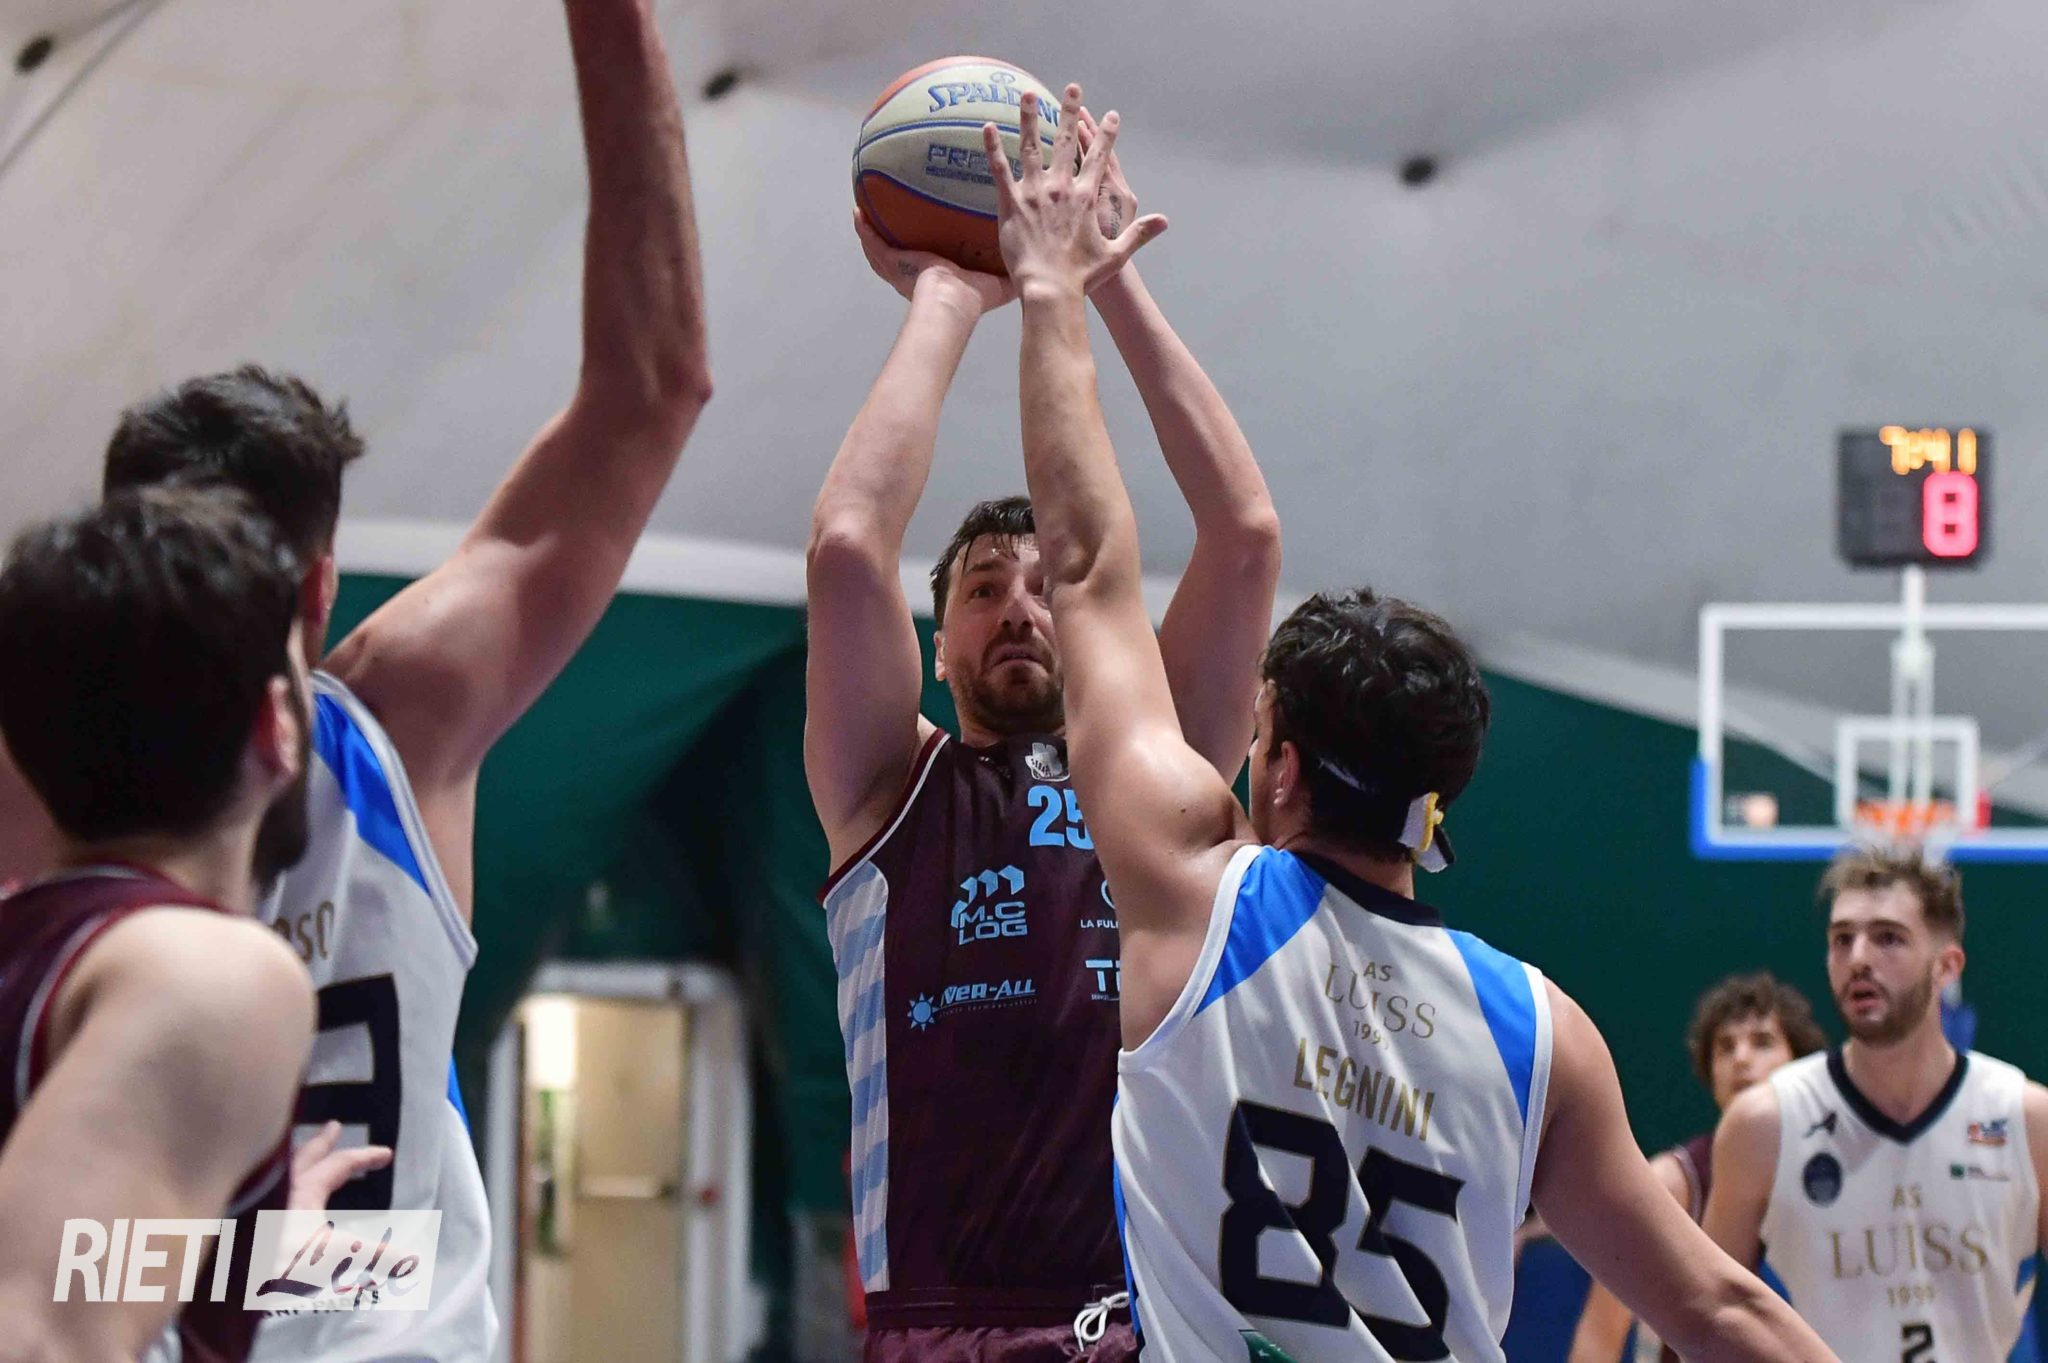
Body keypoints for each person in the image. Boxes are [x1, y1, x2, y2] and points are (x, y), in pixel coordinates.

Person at [989, 81, 1839, 1362]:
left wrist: (1054, 288)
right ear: (1433, 800)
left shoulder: (1190, 887)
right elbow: (1719, 1307)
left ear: (1277, 767)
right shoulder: (1540, 1031)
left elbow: (1087, 563)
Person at [0, 1, 710, 1355]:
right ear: (321, 585)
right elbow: (652, 387)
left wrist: (230, 1255)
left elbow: (652, 392)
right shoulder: (382, 717)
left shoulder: (354, 723)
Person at [807, 96, 1281, 1360]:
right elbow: (848, 545)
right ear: (937, 644)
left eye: (1039, 587)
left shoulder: (1156, 764)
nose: (1020, 609)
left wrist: (1097, 280)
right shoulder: (886, 786)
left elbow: (1243, 539)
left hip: (1144, 1318)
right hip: (940, 1324)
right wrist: (948, 299)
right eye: (981, 589)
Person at [0, 489, 382, 1361]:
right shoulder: (209, 974)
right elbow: (38, 1337)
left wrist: (226, 1254)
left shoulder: (43, 947)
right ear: (276, 725)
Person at [1704, 848, 2047, 1362]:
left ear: (1946, 966)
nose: (1859, 958)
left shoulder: (2026, 1120)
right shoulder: (1764, 1125)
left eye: (1888, 938)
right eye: (1842, 939)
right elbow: (1709, 1320)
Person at [1568, 973, 1826, 1362]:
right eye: (1725, 1048)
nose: (1741, 1059)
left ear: (1800, 1062)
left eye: (1762, 1042)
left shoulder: (1836, 1169)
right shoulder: (1673, 1183)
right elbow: (1599, 1338)